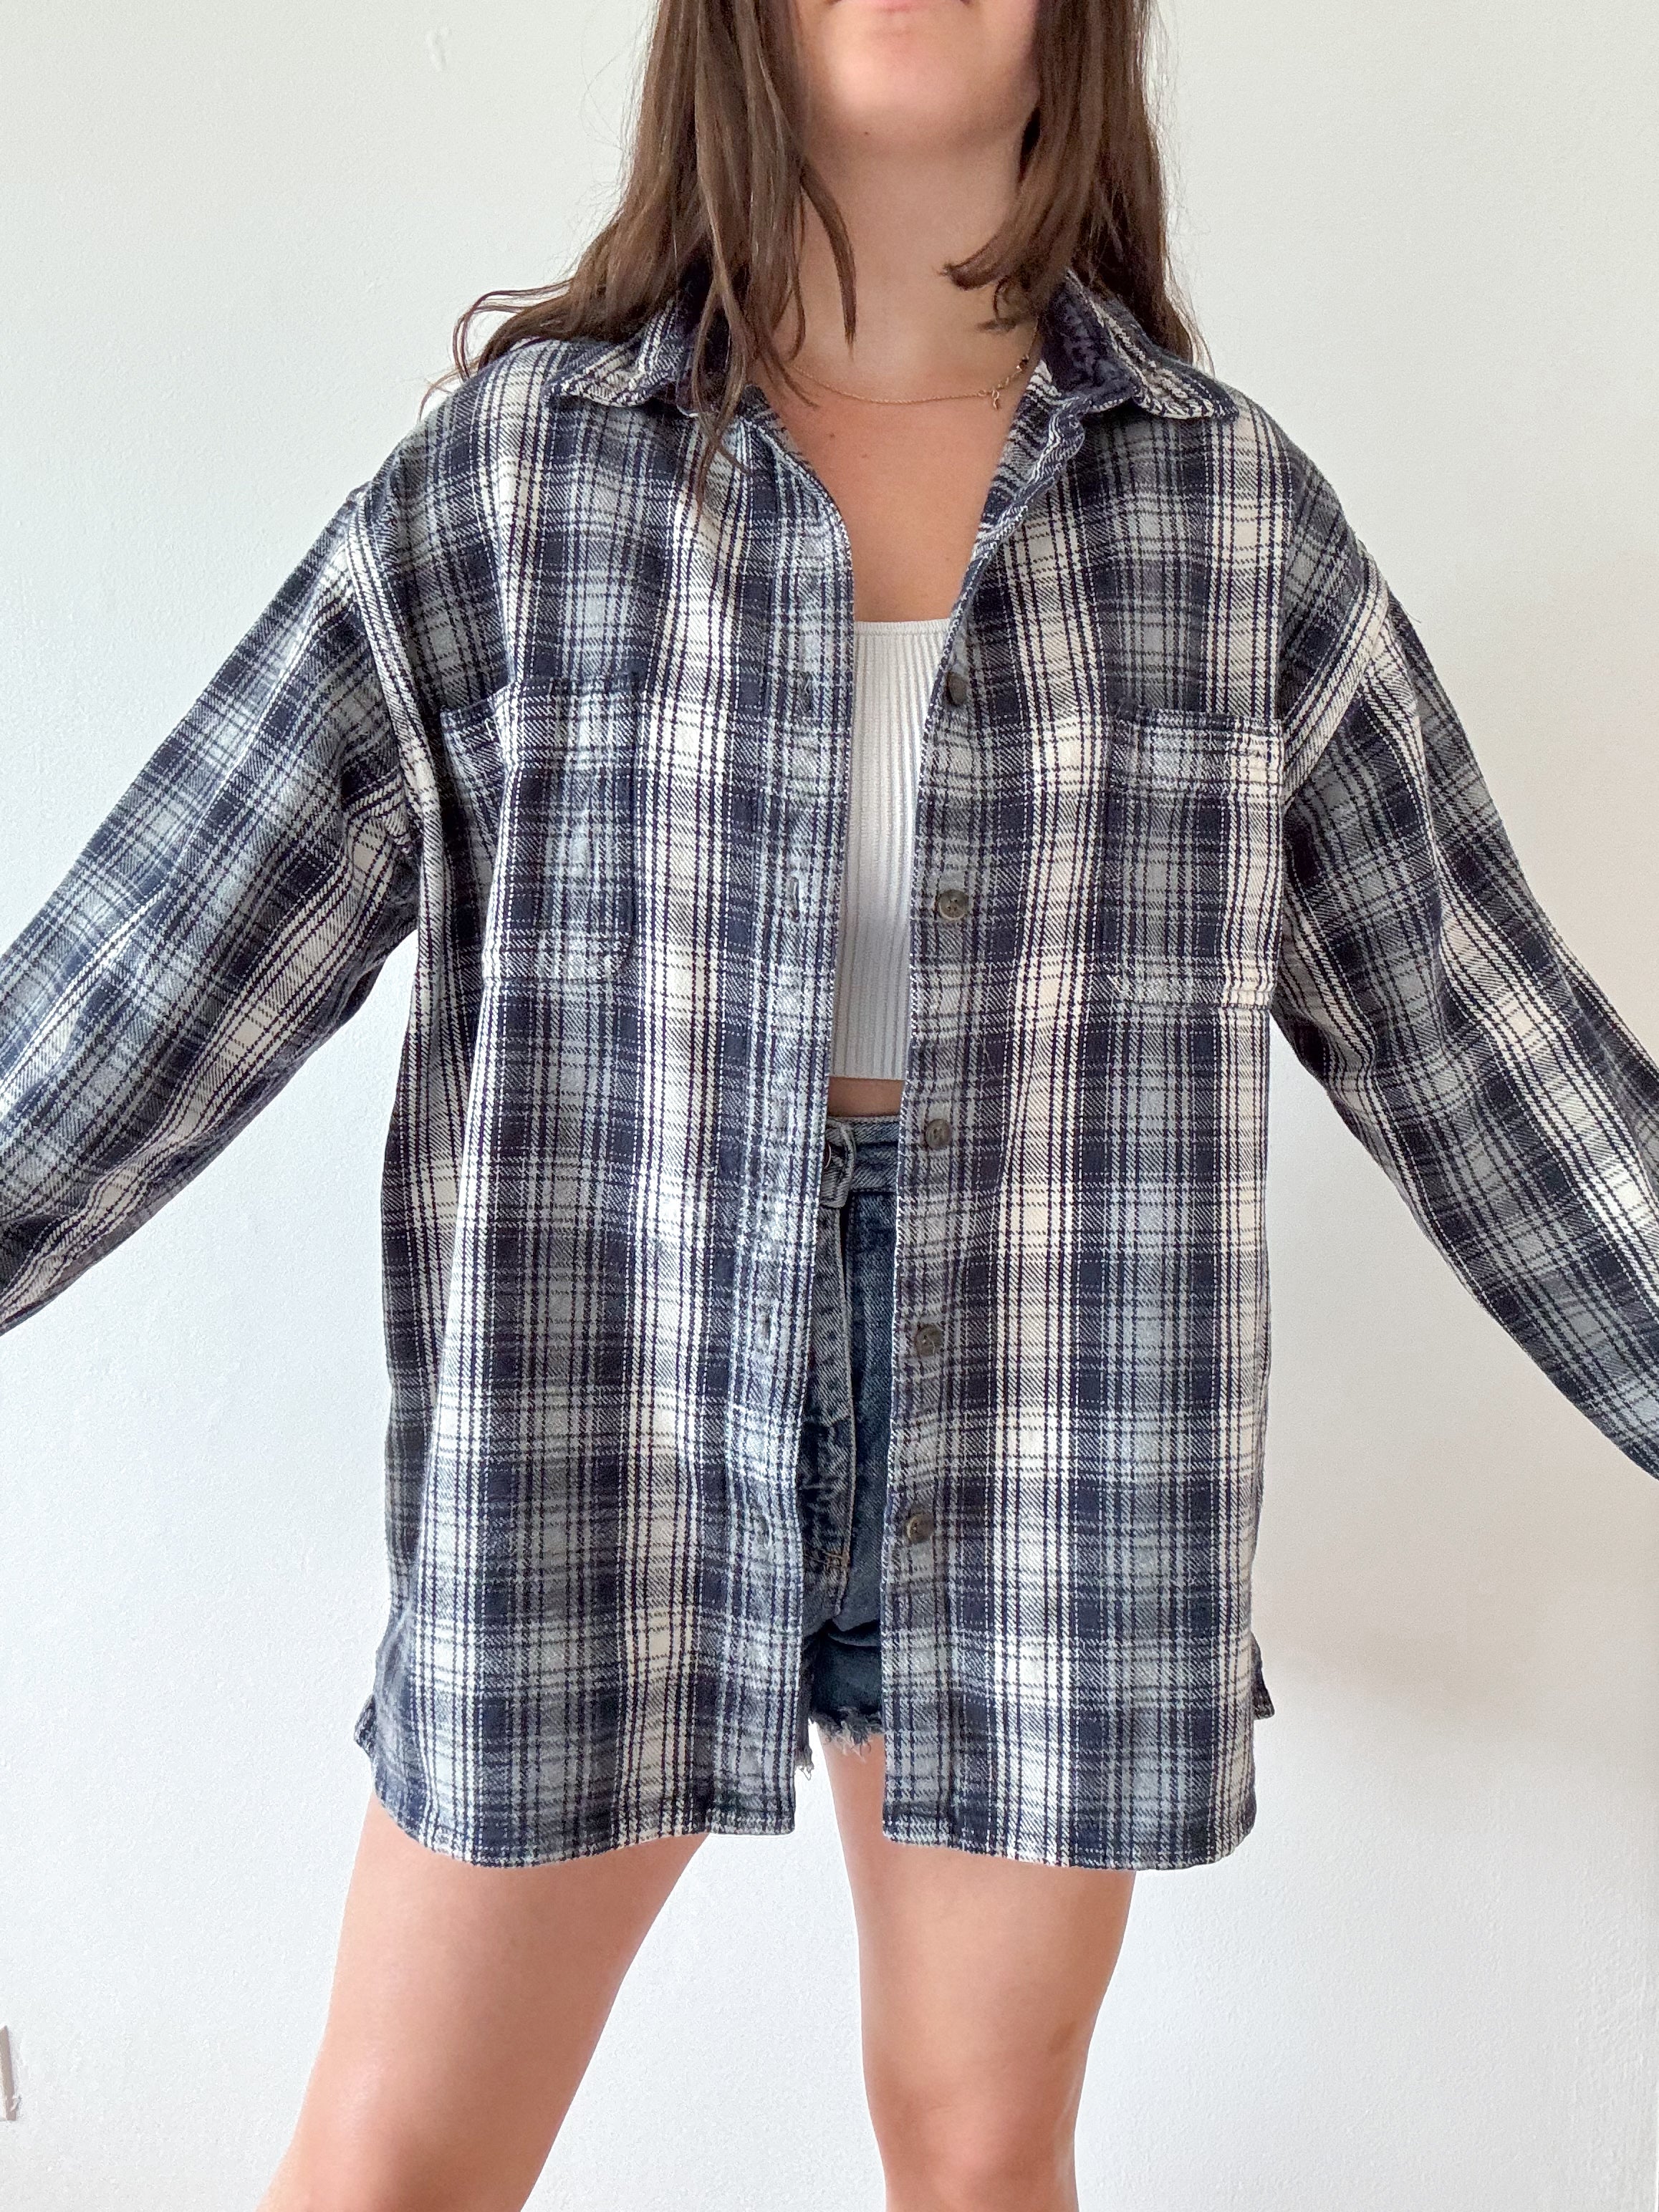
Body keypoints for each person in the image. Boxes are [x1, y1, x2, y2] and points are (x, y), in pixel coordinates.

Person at [4, 1, 1658, 2207]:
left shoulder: (1226, 515)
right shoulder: (517, 488)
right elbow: (161, 949)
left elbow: (1486, 1052)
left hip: (1056, 1440)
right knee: (392, 2164)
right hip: (606, 1401)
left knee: (978, 2161)